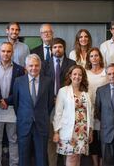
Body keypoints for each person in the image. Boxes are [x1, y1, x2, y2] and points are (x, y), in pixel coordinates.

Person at [13, 54, 54, 166]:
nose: (33, 68)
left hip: (41, 124)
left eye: (36, 65)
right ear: (26, 67)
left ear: (40, 66)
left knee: (41, 158)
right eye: (31, 65)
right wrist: (24, 115)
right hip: (24, 124)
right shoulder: (18, 81)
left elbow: (50, 103)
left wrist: (41, 115)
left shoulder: (48, 81)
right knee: (23, 157)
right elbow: (16, 103)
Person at [0, 42, 25, 166]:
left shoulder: (19, 69)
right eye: (3, 51)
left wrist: (7, 101)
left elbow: (20, 90)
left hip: (12, 109)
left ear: (12, 53)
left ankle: (14, 164)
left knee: (13, 139)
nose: (6, 54)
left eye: (8, 51)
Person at [41, 37, 76, 166]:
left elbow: (73, 83)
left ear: (64, 48)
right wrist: (52, 98)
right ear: (51, 50)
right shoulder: (44, 64)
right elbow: (43, 85)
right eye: (54, 47)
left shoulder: (72, 63)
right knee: (51, 139)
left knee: (66, 136)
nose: (57, 49)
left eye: (60, 47)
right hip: (49, 106)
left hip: (67, 105)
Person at [53, 65, 94, 166]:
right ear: (70, 76)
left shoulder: (86, 93)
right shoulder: (63, 91)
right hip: (69, 130)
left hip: (82, 131)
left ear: (83, 77)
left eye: (80, 74)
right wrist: (56, 132)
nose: (77, 76)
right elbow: (58, 113)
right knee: (71, 158)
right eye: (75, 74)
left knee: (78, 158)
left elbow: (91, 113)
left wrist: (90, 130)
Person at [85, 47, 108, 166]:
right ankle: (95, 163)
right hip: (89, 109)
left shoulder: (106, 72)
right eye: (92, 56)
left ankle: (102, 163)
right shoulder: (86, 73)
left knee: (103, 139)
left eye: (96, 55)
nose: (94, 58)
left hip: (104, 110)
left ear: (100, 57)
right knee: (92, 139)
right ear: (89, 59)